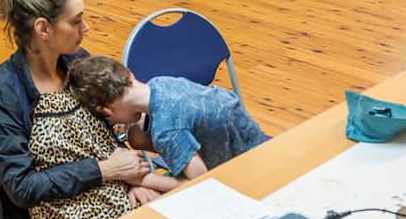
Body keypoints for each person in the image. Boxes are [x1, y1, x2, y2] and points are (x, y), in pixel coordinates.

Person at [0, 0, 161, 219]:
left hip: (121, 196)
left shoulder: (77, 62)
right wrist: (105, 171)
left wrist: (132, 181)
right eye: (76, 21)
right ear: (43, 29)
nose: (86, 28)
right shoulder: (3, 93)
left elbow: (106, 132)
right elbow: (22, 187)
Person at [66, 55, 268, 187]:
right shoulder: (161, 82)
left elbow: (202, 183)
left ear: (106, 110)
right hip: (261, 149)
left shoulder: (167, 130)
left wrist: (144, 179)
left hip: (245, 180)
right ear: (129, 74)